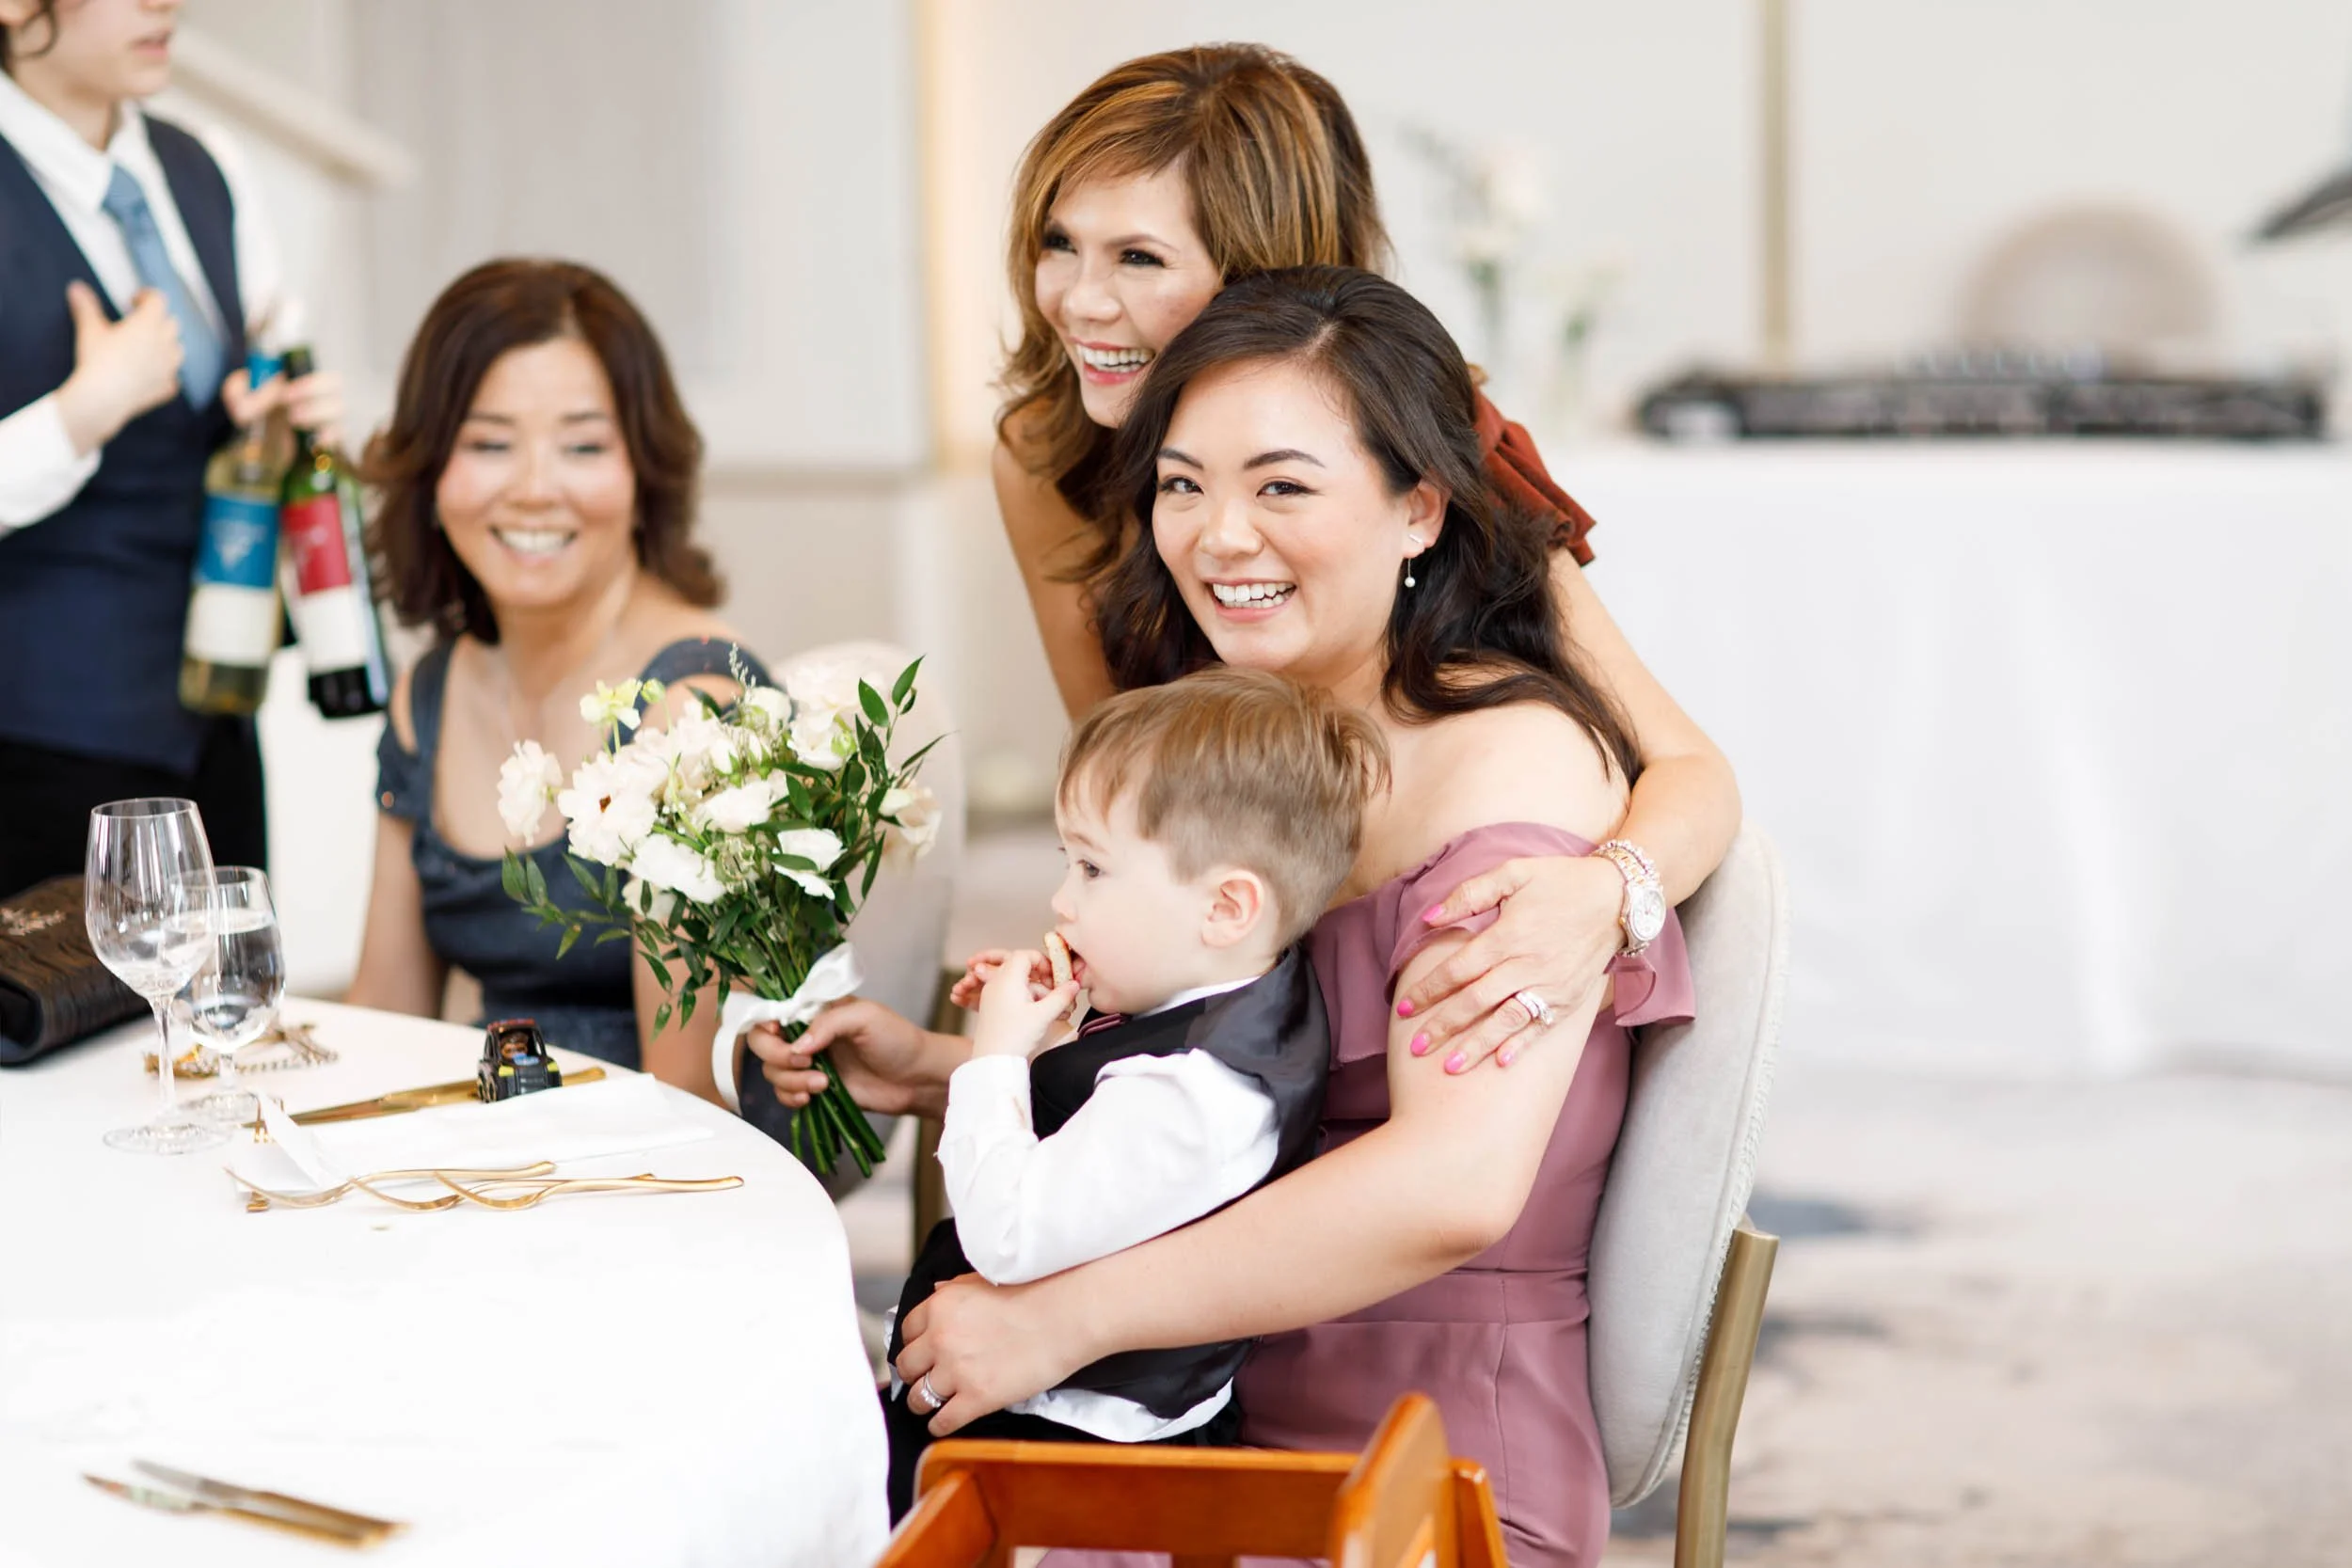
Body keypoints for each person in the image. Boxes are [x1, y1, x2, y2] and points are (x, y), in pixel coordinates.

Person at [784, 267, 1697, 1565]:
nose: (1219, 536)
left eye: (1282, 485)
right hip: (1198, 1407)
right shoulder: (1258, 754)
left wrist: (1061, 1321)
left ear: (1418, 509)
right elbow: (1220, 1089)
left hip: (1428, 1452)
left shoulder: (1509, 764)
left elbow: (1452, 1184)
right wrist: (953, 1071)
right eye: (1182, 483)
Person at [988, 43, 1739, 1069]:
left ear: (1254, 275)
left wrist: (1608, 891)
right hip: (1237, 962)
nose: (1077, 300)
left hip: (1431, 950)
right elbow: (1133, 795)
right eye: (1059, 244)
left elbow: (1692, 770)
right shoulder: (1045, 457)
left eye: (1138, 258)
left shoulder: (1419, 438)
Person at [795, 669, 1384, 1518]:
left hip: (1061, 1441)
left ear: (1226, 906)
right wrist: (1060, 1034)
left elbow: (1007, 1235)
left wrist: (994, 1058)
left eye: (1094, 869)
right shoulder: (1235, 990)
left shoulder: (1189, 1094)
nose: (1062, 899)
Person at [345, 259, 765, 1094]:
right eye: (490, 443)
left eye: (582, 445)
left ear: (643, 472)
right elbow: (385, 1015)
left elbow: (692, 1094)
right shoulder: (427, 696)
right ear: (430, 474)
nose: (535, 489)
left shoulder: (692, 707)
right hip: (502, 1143)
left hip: (663, 1167)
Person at [0, 0, 341, 897]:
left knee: (226, 1015)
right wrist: (79, 414)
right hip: (43, 738)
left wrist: (279, 411)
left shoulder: (204, 165)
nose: (165, 4)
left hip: (215, 716)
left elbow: (268, 350)